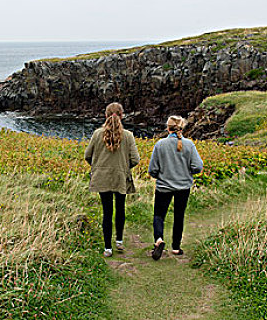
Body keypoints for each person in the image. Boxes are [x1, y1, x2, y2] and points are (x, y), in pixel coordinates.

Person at [85, 102, 140, 257]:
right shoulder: (128, 135)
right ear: (122, 115)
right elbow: (135, 159)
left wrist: (97, 166)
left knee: (107, 212)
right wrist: (124, 167)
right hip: (120, 177)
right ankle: (120, 241)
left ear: (105, 115)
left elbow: (87, 155)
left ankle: (107, 248)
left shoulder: (97, 134)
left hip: (102, 178)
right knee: (120, 209)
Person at [148, 115, 203, 260]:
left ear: (168, 128)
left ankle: (158, 240)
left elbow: (152, 170)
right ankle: (176, 248)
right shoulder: (189, 145)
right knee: (179, 216)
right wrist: (187, 172)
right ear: (182, 128)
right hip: (183, 187)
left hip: (163, 186)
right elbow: (198, 166)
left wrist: (161, 175)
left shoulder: (160, 145)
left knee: (159, 215)